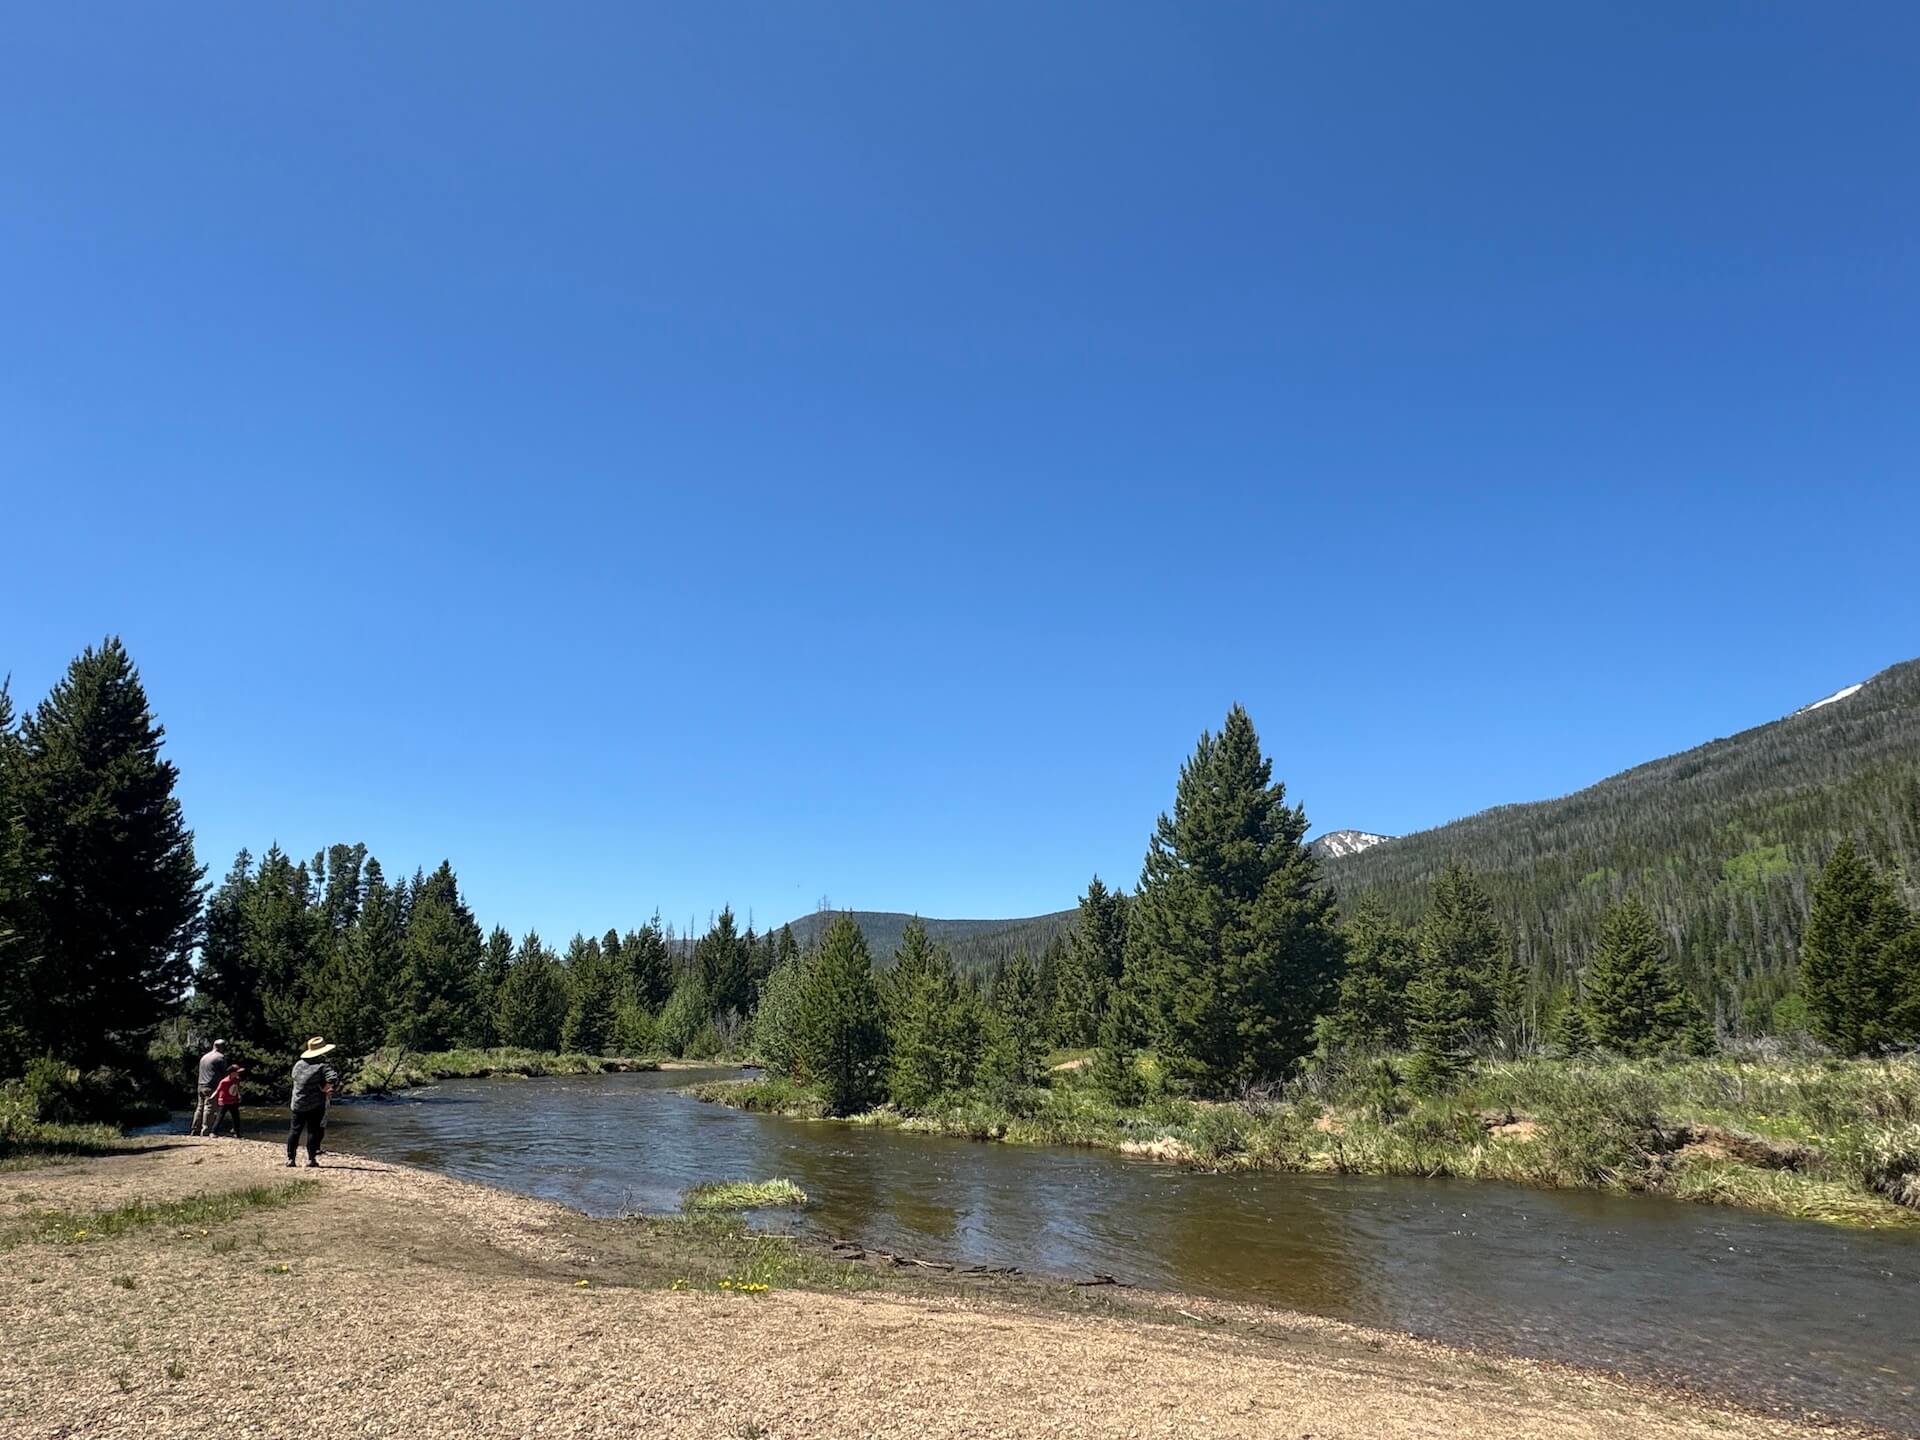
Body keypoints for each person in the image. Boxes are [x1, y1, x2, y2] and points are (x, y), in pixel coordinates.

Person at [287, 1036, 339, 1169]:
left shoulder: (298, 1064)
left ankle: (290, 1159)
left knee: (294, 1131)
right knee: (313, 1131)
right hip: (315, 1104)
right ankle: (311, 1159)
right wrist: (326, 1088)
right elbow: (333, 1078)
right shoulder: (322, 1066)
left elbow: (295, 1078)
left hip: (298, 1103)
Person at [191, 1039, 231, 1136]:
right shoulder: (220, 1057)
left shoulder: (204, 1057)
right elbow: (225, 1074)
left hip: (200, 1085)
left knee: (199, 1108)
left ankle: (195, 1129)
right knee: (209, 1108)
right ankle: (206, 1130)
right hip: (212, 1086)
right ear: (221, 1047)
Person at [208, 1065, 246, 1137]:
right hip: (224, 1101)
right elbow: (218, 1090)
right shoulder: (224, 1081)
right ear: (232, 1073)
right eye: (237, 1072)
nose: (238, 1074)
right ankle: (213, 1132)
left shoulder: (237, 1079)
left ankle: (237, 1133)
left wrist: (239, 1095)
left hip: (233, 1101)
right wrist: (212, 1097)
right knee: (220, 1117)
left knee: (236, 1117)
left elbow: (237, 1088)